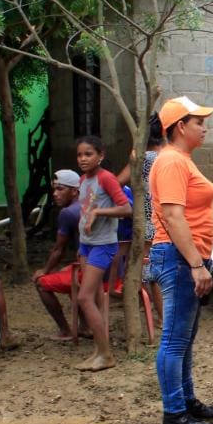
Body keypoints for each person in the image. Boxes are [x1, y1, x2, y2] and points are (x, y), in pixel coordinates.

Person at [149, 96, 213, 424]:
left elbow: (190, 209)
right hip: (180, 257)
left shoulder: (181, 160)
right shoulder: (171, 162)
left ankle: (186, 399)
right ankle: (174, 413)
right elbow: (172, 214)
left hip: (188, 254)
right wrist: (196, 264)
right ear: (180, 126)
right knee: (175, 338)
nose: (205, 128)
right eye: (199, 122)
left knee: (185, 336)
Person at [74, 135, 131, 372]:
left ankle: (106, 355)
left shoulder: (106, 178)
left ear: (101, 155)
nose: (83, 159)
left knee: (84, 298)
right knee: (93, 297)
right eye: (79, 155)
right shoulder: (83, 180)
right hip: (87, 244)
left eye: (88, 154)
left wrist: (99, 213)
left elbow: (126, 208)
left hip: (103, 245)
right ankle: (98, 351)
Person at [33, 169, 87, 340]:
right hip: (108, 268)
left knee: (41, 283)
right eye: (54, 189)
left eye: (60, 189)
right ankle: (85, 325)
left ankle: (65, 330)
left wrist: (45, 270)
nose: (55, 194)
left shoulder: (68, 213)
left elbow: (59, 250)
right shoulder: (89, 204)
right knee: (67, 270)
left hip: (91, 272)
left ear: (74, 191)